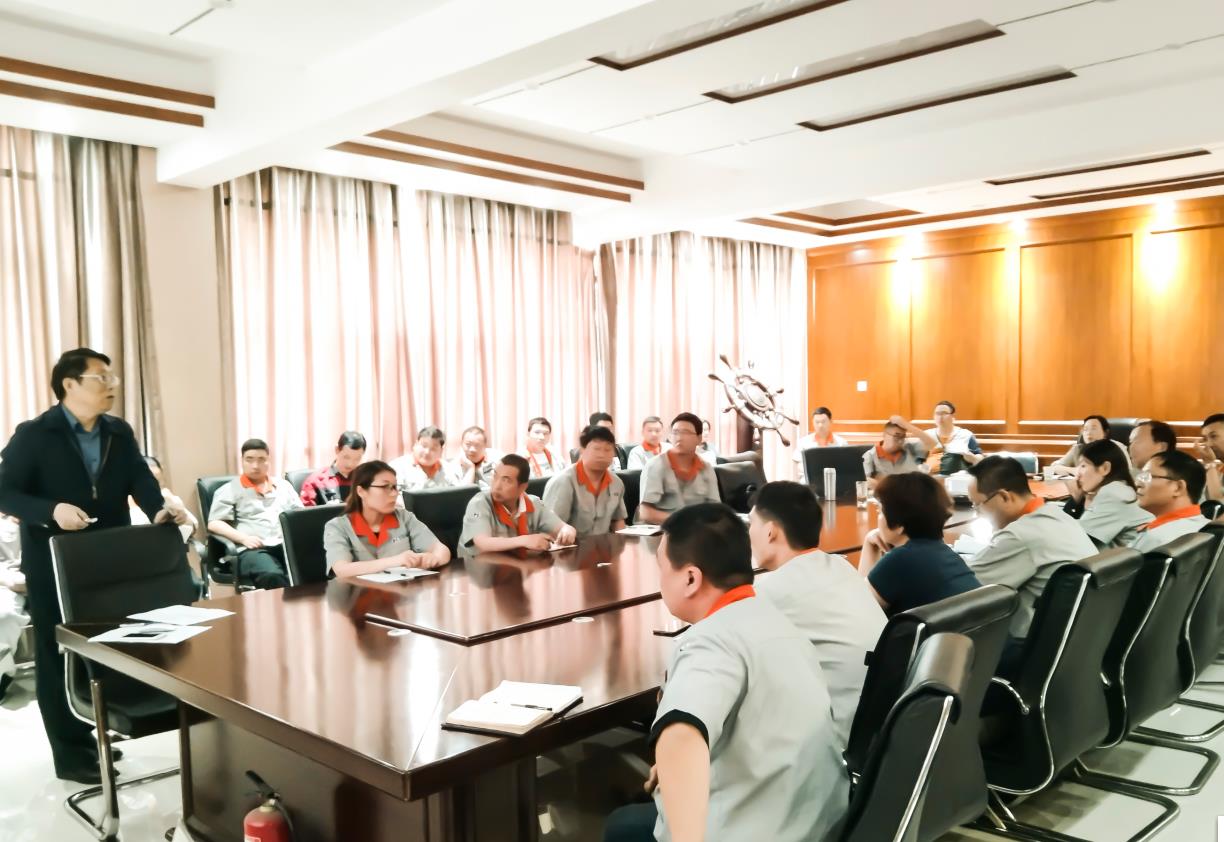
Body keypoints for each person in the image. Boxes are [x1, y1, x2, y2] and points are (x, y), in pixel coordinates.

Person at [0, 348, 192, 783]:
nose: (111, 385)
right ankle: (71, 754)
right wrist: (51, 511)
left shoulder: (118, 432)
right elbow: (6, 492)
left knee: (107, 646)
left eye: (111, 378)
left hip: (107, 560)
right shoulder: (35, 434)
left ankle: (97, 731)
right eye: (100, 378)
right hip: (53, 562)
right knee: (58, 655)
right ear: (69, 384)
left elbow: (139, 478)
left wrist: (158, 508)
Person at [602, 503, 847, 842]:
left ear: (690, 578)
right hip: (820, 820)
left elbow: (681, 735)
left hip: (760, 829)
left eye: (662, 568)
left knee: (622, 827)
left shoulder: (711, 641)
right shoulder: (778, 623)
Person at [748, 481, 885, 746]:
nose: (748, 533)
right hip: (882, 728)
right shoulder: (840, 566)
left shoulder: (770, 592)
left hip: (838, 742)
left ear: (770, 532)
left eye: (751, 524)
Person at [966, 456, 1096, 639]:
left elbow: (965, 586)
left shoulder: (1020, 535)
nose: (977, 513)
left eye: (977, 505)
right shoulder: (1058, 516)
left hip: (1034, 643)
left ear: (1004, 497)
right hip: (1080, 636)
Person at [857, 472, 981, 614]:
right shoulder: (947, 553)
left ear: (899, 524)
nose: (878, 517)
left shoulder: (900, 560)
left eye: (880, 511)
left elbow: (858, 611)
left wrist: (868, 545)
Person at [322, 461, 449, 579]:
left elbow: (442, 550)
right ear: (361, 491)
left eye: (395, 487)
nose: (394, 494)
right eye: (385, 487)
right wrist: (397, 560)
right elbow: (341, 569)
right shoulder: (338, 526)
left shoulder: (404, 517)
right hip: (358, 594)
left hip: (403, 592)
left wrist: (433, 558)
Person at [207, 438, 302, 590]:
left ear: (268, 461)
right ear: (242, 461)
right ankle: (284, 606)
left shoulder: (283, 486)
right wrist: (243, 538)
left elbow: (300, 515)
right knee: (272, 575)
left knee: (318, 564)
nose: (255, 465)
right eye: (249, 459)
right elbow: (215, 523)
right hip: (253, 550)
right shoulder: (229, 490)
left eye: (261, 459)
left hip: (285, 546)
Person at [458, 455, 576, 552]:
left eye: (506, 480)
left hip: (516, 565)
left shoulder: (533, 503)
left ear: (522, 487)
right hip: (474, 567)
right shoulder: (479, 503)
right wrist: (525, 540)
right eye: (495, 476)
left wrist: (567, 531)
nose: (497, 486)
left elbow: (562, 527)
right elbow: (482, 542)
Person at [1063, 439, 1152, 548]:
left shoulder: (1113, 493)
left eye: (1083, 466)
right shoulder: (1119, 488)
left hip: (1132, 557)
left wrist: (1074, 499)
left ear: (1105, 468)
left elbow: (1075, 540)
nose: (1078, 474)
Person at [636, 413, 721, 525]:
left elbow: (715, 508)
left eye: (686, 432)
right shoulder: (655, 465)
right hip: (660, 529)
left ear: (699, 438)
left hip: (696, 529)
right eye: (675, 432)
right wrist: (687, 521)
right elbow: (646, 513)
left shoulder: (706, 468)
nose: (679, 437)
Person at [543, 426, 628, 536]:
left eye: (607, 450)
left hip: (604, 545)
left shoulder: (616, 483)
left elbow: (618, 522)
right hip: (570, 545)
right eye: (596, 449)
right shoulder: (563, 481)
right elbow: (549, 528)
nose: (602, 455)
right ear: (582, 450)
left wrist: (620, 543)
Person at [1131, 450, 1210, 553]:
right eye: (1141, 476)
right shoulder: (1209, 529)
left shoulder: (1158, 538)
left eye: (1147, 476)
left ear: (1178, 488)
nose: (1137, 484)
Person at [129, 454, 198, 541]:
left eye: (158, 483)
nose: (154, 488)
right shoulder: (124, 506)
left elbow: (193, 526)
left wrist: (181, 517)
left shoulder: (169, 499)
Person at [861, 416, 934, 489]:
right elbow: (865, 481)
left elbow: (931, 443)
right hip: (886, 494)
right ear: (884, 435)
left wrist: (906, 425)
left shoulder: (909, 447)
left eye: (903, 437)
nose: (900, 441)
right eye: (897, 436)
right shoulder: (871, 455)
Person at [300, 430, 366, 506]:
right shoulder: (316, 481)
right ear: (337, 450)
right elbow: (306, 512)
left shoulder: (365, 480)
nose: (350, 464)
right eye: (346, 457)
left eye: (357, 459)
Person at [390, 426, 459, 491]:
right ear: (415, 444)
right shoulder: (397, 467)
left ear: (441, 451)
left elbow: (457, 493)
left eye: (433, 448)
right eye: (424, 446)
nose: (427, 452)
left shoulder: (449, 469)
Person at [925, 400, 983, 474]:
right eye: (937, 414)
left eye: (944, 413)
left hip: (956, 477)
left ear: (952, 416)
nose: (940, 417)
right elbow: (918, 458)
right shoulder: (927, 434)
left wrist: (972, 458)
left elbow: (979, 457)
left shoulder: (965, 434)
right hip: (929, 477)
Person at [793, 406, 848, 479]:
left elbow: (845, 466)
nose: (820, 425)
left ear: (830, 422)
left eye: (823, 422)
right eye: (817, 422)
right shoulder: (803, 442)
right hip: (810, 479)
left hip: (834, 479)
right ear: (813, 423)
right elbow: (798, 463)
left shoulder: (841, 443)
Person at [1195, 413, 1224, 505]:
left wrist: (1210, 464)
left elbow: (1218, 506)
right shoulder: (1219, 470)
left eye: (1213, 436)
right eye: (1205, 439)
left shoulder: (1212, 467)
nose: (1208, 444)